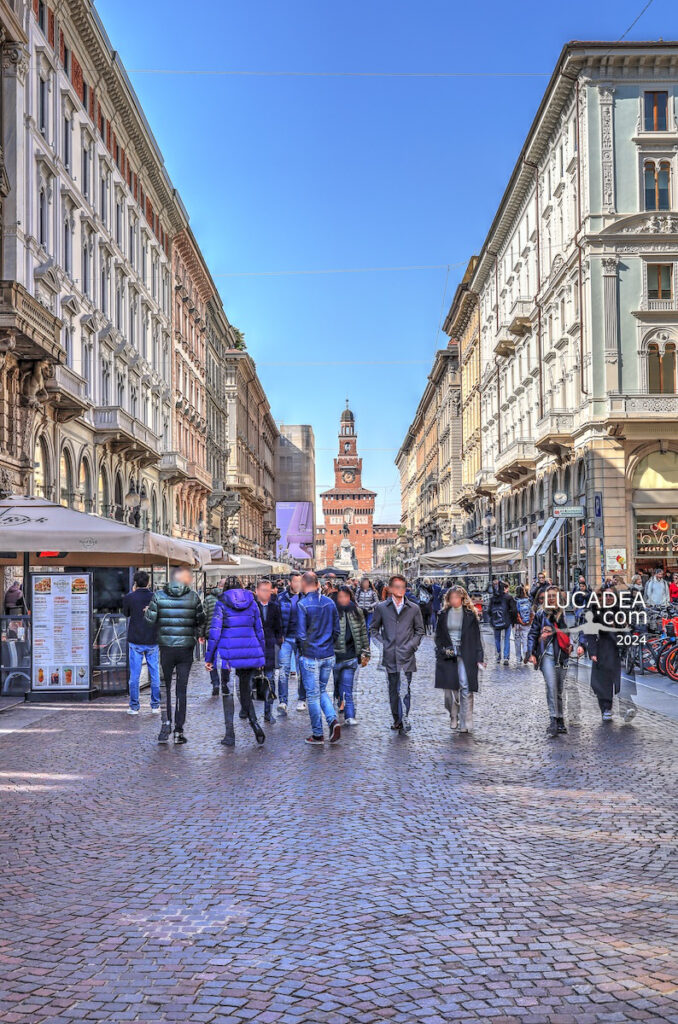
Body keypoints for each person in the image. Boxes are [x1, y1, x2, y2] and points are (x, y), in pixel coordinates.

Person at [145, 567, 205, 744]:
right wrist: (195, 632)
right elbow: (201, 619)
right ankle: (179, 730)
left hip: (165, 648)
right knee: (181, 690)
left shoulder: (158, 595)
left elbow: (150, 620)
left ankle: (165, 724)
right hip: (186, 649)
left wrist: (149, 610)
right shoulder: (193, 596)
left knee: (165, 688)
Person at [205, 578, 267, 746]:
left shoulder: (221, 603)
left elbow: (215, 632)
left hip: (228, 654)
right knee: (245, 691)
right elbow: (259, 630)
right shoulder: (252, 603)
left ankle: (230, 734)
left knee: (228, 692)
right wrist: (262, 656)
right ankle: (255, 724)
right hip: (249, 651)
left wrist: (209, 658)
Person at [370, 574, 425, 734]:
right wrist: (383, 644)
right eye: (397, 587)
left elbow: (420, 630)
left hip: (407, 655)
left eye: (403, 586)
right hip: (390, 655)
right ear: (391, 589)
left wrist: (412, 645)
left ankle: (405, 717)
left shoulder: (413, 608)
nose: (400, 590)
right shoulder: (382, 608)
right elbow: (373, 629)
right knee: (393, 689)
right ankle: (397, 719)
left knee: (406, 688)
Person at [577, 587, 635, 723]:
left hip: (618, 650)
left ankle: (625, 709)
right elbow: (588, 632)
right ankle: (606, 709)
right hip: (602, 649)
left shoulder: (619, 611)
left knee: (622, 681)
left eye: (611, 596)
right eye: (606, 596)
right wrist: (591, 651)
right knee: (603, 682)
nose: (609, 598)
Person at [297, 571, 341, 745]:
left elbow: (300, 634)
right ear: (317, 584)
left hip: (311, 656)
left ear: (304, 584)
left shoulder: (302, 604)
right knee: (321, 690)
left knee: (313, 696)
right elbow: (337, 630)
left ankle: (317, 734)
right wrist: (328, 644)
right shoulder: (330, 603)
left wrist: (305, 650)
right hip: (328, 654)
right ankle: (332, 720)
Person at [434, 586, 485, 733]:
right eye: (452, 597)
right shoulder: (443, 614)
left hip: (466, 653)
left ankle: (465, 721)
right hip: (447, 654)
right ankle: (453, 714)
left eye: (457, 597)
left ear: (462, 598)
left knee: (465, 686)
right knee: (449, 690)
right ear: (448, 599)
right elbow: (438, 636)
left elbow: (476, 638)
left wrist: (479, 656)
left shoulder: (470, 615)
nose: (454, 600)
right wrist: (441, 649)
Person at [527, 586, 571, 738]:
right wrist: (531, 653)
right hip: (546, 654)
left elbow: (569, 633)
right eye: (549, 596)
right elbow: (532, 633)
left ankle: (560, 719)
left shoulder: (564, 614)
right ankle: (553, 719)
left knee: (558, 689)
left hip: (562, 656)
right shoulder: (540, 613)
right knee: (551, 686)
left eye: (554, 596)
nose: (551, 599)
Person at [122, 570, 161, 715]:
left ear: (135, 583)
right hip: (152, 638)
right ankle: (155, 705)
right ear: (148, 582)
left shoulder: (129, 597)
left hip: (136, 639)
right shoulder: (155, 597)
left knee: (135, 675)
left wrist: (132, 593)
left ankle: (134, 706)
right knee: (154, 673)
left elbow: (126, 613)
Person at [333, 585, 370, 726]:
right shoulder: (332, 611)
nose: (343, 599)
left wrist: (366, 652)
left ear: (350, 597)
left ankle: (350, 715)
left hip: (351, 656)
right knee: (337, 685)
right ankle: (338, 700)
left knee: (348, 688)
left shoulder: (357, 612)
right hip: (336, 657)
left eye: (346, 596)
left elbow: (363, 633)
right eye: (340, 596)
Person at [255, 578, 283, 723]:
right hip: (254, 647)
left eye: (269, 590)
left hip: (270, 647)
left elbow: (279, 626)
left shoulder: (274, 606)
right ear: (257, 591)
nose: (267, 593)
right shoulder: (252, 607)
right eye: (263, 590)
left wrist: (279, 641)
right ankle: (248, 710)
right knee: (252, 681)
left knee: (270, 679)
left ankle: (268, 712)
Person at [278, 571, 304, 714]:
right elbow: (276, 618)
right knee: (283, 671)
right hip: (286, 638)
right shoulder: (281, 598)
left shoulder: (306, 597)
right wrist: (278, 635)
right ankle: (283, 701)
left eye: (300, 582)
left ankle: (302, 699)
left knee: (302, 671)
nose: (298, 584)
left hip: (301, 640)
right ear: (290, 583)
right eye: (295, 582)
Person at [204, 579, 226, 695]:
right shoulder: (229, 598)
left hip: (211, 632)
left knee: (212, 658)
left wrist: (201, 633)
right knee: (225, 659)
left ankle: (215, 682)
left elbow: (204, 617)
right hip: (225, 633)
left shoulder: (208, 599)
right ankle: (224, 682)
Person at [488, 579, 516, 665]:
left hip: (496, 621)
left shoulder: (492, 598)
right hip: (507, 620)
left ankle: (498, 656)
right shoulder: (508, 597)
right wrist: (513, 621)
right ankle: (506, 657)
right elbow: (514, 610)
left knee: (497, 639)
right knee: (506, 639)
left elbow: (489, 611)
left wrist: (493, 618)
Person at [513, 584, 533, 664]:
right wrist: (529, 621)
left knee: (517, 641)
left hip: (517, 623)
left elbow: (516, 612)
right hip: (527, 622)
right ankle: (526, 654)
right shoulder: (528, 600)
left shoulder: (515, 600)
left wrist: (519, 621)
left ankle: (518, 658)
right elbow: (531, 612)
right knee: (525, 639)